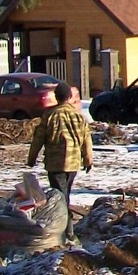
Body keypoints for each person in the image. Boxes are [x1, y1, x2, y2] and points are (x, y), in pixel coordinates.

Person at [27, 82, 93, 246]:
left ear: (56, 97)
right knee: (65, 195)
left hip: (55, 164)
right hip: (73, 163)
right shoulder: (79, 117)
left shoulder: (49, 115)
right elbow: (86, 140)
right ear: (70, 97)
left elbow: (38, 139)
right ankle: (68, 231)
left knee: (60, 198)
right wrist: (88, 160)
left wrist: (32, 158)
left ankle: (68, 233)